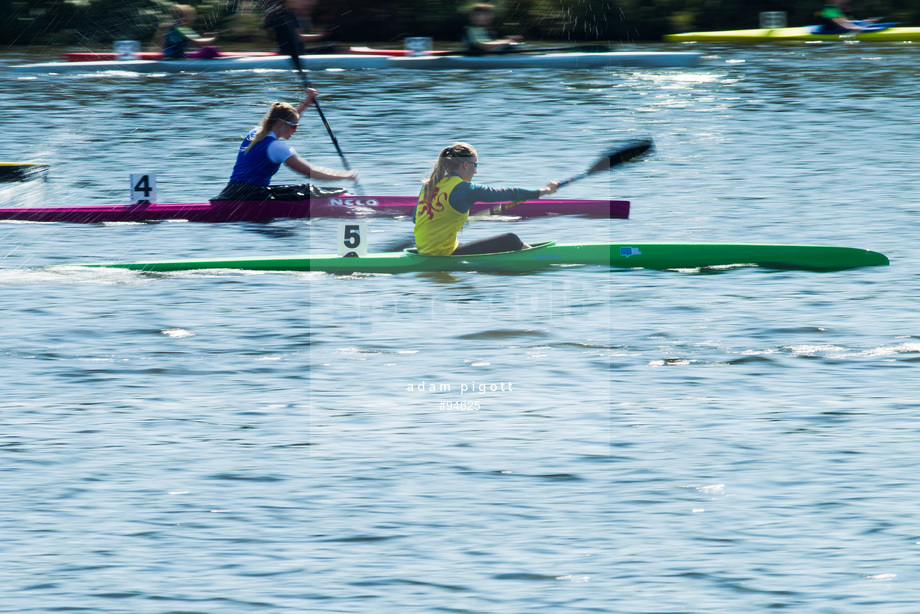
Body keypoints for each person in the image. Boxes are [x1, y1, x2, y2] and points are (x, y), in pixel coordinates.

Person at [213, 88, 358, 202]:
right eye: (294, 127)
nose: (295, 131)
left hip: (231, 193)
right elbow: (310, 172)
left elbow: (290, 119)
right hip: (253, 196)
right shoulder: (277, 148)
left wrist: (306, 103)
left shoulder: (255, 134)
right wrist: (346, 175)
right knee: (307, 190)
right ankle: (343, 201)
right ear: (281, 123)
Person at [413, 143, 558, 256]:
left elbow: (416, 219)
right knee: (511, 239)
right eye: (475, 165)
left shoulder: (429, 184)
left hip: (424, 251)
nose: (476, 170)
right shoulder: (465, 189)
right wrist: (544, 191)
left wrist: (447, 220)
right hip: (443, 254)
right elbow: (509, 193)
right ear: (465, 165)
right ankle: (545, 258)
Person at [258, 0, 337, 56]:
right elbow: (299, 38)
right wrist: (322, 35)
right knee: (330, 48)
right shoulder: (289, 15)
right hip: (291, 53)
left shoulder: (288, 14)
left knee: (329, 47)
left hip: (292, 51)